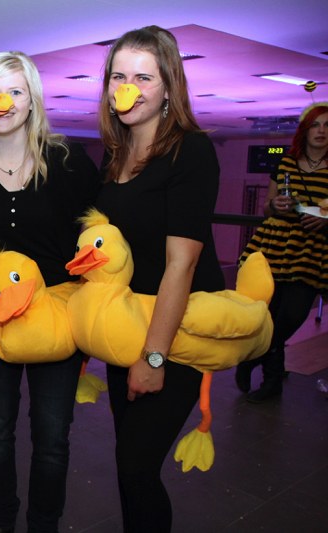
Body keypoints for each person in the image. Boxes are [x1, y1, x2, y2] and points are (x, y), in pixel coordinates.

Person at [0, 51, 100, 533]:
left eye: (16, 91)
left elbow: (96, 236)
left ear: (33, 100)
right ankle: (0, 521)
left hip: (57, 316)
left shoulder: (68, 161)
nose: (4, 102)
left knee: (52, 436)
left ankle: (43, 524)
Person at [94, 26, 223, 533]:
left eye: (143, 78)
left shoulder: (191, 152)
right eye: (118, 76)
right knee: (128, 463)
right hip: (129, 325)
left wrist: (154, 358)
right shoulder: (114, 154)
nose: (128, 88)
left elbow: (181, 265)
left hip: (173, 332)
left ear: (169, 86)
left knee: (136, 465)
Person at [235, 103, 328, 402]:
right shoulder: (286, 164)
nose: (321, 131)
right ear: (305, 130)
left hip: (312, 250)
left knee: (292, 315)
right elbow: (267, 207)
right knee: (268, 313)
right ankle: (272, 380)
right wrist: (275, 205)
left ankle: (252, 356)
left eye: (327, 126)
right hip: (275, 244)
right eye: (315, 125)